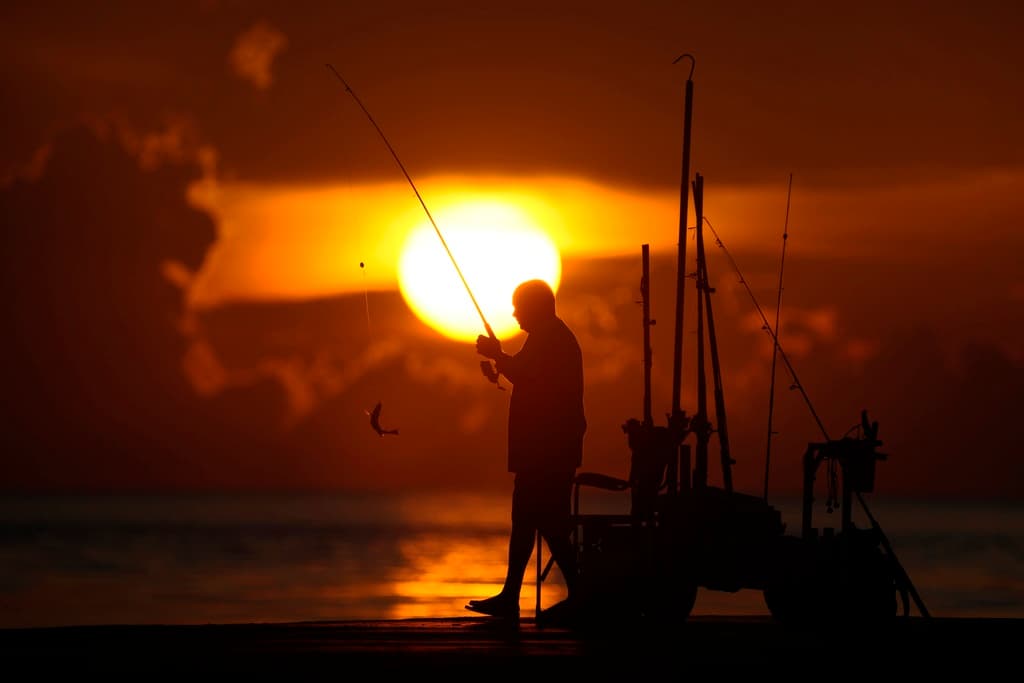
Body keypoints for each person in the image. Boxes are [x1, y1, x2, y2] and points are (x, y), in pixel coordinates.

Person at [466, 279, 586, 621]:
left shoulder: (554, 340)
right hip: (542, 451)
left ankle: (576, 595)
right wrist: (501, 357)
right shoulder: (547, 338)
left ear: (536, 307)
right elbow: (525, 372)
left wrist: (497, 356)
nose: (515, 312)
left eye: (519, 306)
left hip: (548, 452)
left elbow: (526, 374)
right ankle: (513, 596)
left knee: (547, 522)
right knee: (529, 521)